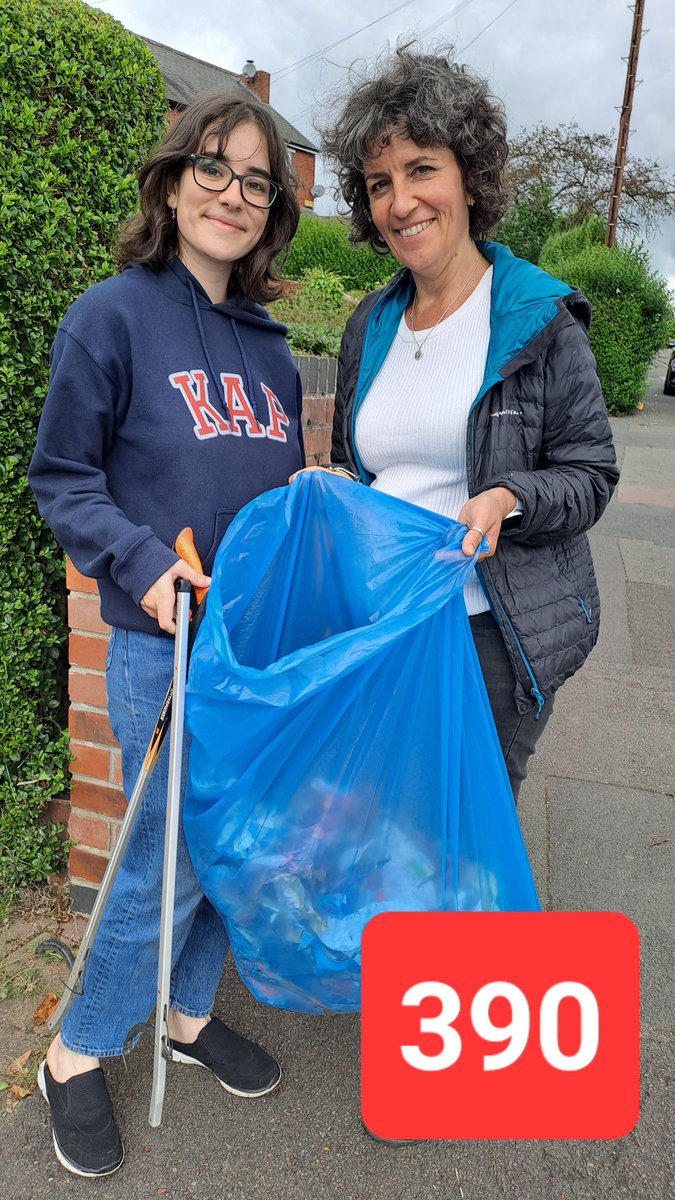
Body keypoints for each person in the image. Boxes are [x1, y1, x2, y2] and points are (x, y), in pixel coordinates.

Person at [28, 94, 304, 1178]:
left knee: (233, 856)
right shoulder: (112, 314)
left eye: (255, 181)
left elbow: (265, 490)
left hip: (255, 650)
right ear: (173, 179)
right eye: (215, 169)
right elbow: (63, 477)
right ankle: (75, 1052)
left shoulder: (274, 349)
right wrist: (143, 564)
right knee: (161, 865)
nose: (232, 195)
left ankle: (186, 1018)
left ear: (273, 208)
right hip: (165, 644)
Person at [313, 45, 619, 799]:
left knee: (460, 854)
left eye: (421, 169)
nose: (400, 202)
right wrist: (333, 486)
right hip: (385, 622)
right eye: (379, 184)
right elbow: (363, 466)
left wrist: (507, 499)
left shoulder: (535, 318)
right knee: (381, 832)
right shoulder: (369, 324)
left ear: (468, 179)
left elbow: (590, 474)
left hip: (489, 632)